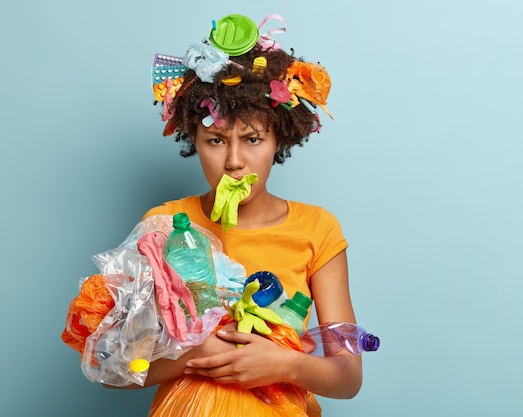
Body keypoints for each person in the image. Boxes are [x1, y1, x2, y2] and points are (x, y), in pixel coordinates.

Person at [105, 13, 363, 417]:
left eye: (253, 139)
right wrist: (198, 349)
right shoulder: (164, 225)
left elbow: (349, 378)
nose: (235, 161)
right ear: (194, 138)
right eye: (216, 140)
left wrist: (287, 364)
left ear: (280, 137)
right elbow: (114, 367)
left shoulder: (319, 230)